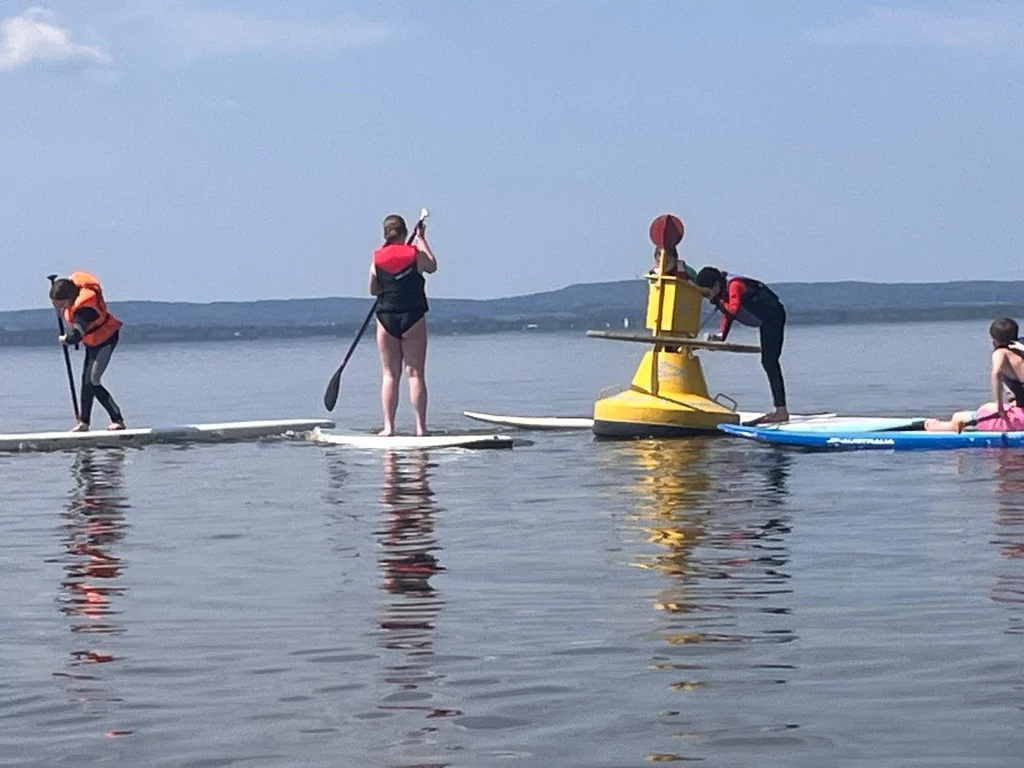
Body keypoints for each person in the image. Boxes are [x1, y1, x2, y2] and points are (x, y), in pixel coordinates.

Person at [369, 214, 438, 436]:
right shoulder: (415, 254)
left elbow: (372, 289)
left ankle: (389, 428)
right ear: (405, 233)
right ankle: (421, 429)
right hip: (413, 318)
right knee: (415, 374)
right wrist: (421, 240)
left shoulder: (377, 260)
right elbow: (432, 266)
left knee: (390, 375)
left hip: (386, 319)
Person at [693, 266, 789, 425]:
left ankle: (781, 411)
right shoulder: (722, 292)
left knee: (769, 362)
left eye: (707, 292)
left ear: (716, 285)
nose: (707, 297)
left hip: (774, 317)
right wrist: (720, 337)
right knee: (768, 362)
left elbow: (734, 309)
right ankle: (780, 409)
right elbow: (727, 315)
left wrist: (720, 302)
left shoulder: (734, 285)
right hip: (765, 322)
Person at [48, 271, 126, 432]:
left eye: (61, 304)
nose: (59, 308)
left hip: (106, 339)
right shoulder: (73, 293)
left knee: (94, 380)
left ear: (70, 297)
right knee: (86, 382)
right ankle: (84, 423)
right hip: (93, 343)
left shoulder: (84, 310)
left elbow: (77, 335)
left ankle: (118, 420)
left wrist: (65, 339)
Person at [925, 317, 1024, 433]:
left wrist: (1000, 407)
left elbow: (996, 373)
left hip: (1020, 419)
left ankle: (939, 427)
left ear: (994, 341)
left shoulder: (1000, 353)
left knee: (961, 416)